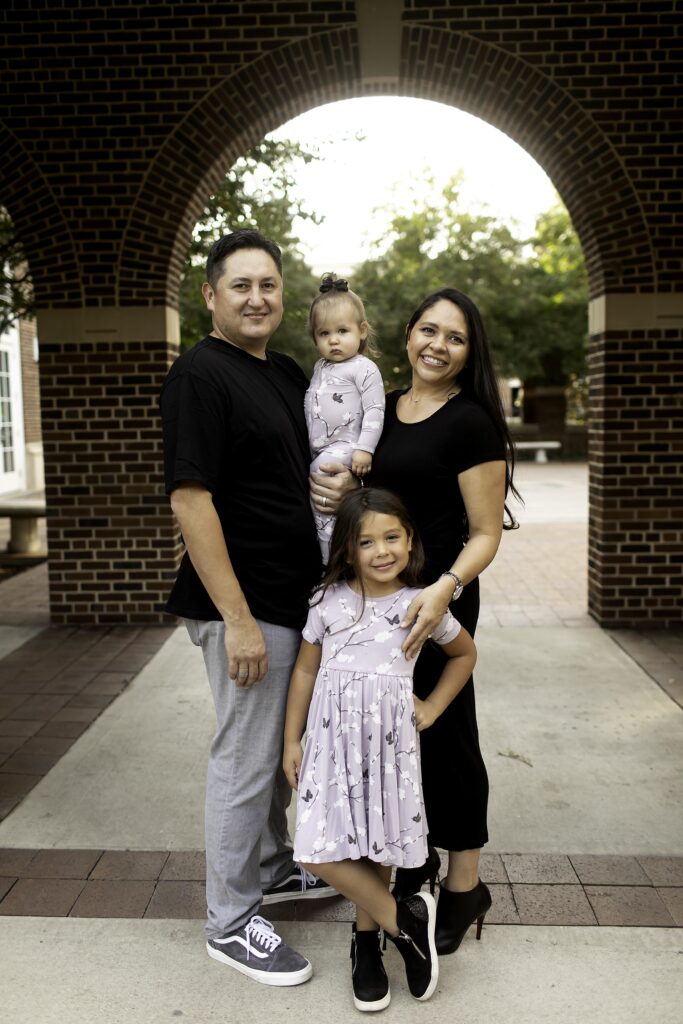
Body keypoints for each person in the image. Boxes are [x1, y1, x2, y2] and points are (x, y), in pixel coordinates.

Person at [309, 287, 519, 956]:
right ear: (405, 334)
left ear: (468, 352)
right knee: (390, 738)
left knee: (446, 731)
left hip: (441, 594)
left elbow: (486, 533)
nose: (437, 345)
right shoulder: (384, 411)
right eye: (427, 330)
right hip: (381, 593)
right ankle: (412, 864)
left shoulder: (471, 422)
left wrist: (444, 590)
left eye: (453, 337)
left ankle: (464, 885)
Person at [159, 229, 337, 988]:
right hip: (245, 604)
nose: (257, 297)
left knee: (266, 755)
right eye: (241, 286)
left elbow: (283, 477)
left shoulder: (283, 369)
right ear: (210, 295)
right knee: (243, 760)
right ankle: (230, 924)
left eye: (268, 285)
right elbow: (190, 498)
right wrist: (234, 619)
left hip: (287, 597)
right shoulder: (199, 375)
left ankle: (273, 869)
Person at [283, 488, 477, 1011]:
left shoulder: (420, 605)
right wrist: (290, 739)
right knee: (315, 848)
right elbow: (304, 669)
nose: (382, 550)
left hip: (388, 749)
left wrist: (433, 707)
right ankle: (403, 921)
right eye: (366, 541)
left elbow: (465, 654)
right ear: (346, 550)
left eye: (392, 537)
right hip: (330, 743)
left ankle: (367, 945)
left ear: (410, 540)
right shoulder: (326, 601)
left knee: (377, 844)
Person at [305, 273, 385, 561]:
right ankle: (330, 547)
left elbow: (375, 410)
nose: (333, 340)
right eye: (324, 334)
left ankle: (331, 558)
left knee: (324, 499)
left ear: (362, 330)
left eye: (342, 331)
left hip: (348, 447)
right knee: (322, 505)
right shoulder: (320, 367)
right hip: (323, 447)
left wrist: (365, 448)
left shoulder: (363, 368)